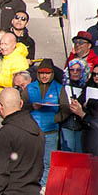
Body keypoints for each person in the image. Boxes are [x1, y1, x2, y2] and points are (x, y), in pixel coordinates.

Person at [25, 59, 63, 188]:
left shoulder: (59, 88)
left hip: (51, 131)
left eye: (47, 73)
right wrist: (32, 107)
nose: (44, 76)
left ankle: (43, 188)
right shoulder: (30, 87)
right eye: (41, 73)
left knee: (47, 162)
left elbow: (66, 109)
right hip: (33, 131)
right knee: (31, 161)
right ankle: (30, 186)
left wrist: (55, 119)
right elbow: (22, 106)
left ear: (52, 74)